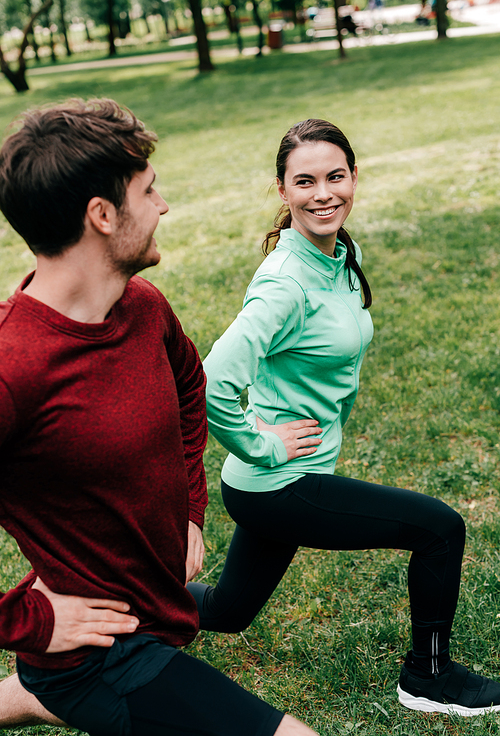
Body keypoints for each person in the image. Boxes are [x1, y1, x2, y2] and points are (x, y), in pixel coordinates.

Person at [0, 98, 317, 736]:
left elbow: (188, 388)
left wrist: (191, 511)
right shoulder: (14, 365)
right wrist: (27, 623)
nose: (164, 206)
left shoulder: (141, 304)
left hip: (153, 608)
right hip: (95, 658)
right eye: (150, 191)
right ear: (102, 215)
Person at [188, 118, 500, 717]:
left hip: (270, 482)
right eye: (305, 181)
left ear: (355, 177)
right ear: (282, 190)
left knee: (229, 612)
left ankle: (126, 598)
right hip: (278, 481)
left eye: (336, 176)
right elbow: (211, 384)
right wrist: (265, 445)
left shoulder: (337, 252)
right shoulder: (284, 283)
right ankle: (428, 678)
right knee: (439, 529)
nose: (324, 193)